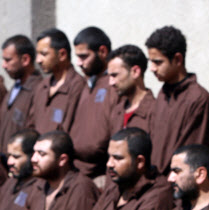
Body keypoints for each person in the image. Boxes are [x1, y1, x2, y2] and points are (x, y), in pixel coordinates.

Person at [145, 26, 209, 174]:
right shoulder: (162, 94)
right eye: (151, 62)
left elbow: (191, 161)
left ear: (178, 59)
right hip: (159, 189)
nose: (152, 68)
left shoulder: (199, 100)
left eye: (158, 62)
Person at [70, 26, 118, 178]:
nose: (78, 63)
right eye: (77, 57)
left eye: (84, 57)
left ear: (103, 52)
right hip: (76, 170)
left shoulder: (114, 85)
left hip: (101, 174)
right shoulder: (83, 84)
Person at [30, 28, 86, 134]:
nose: (38, 60)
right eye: (37, 54)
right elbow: (31, 124)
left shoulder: (77, 86)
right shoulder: (42, 86)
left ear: (62, 54)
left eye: (44, 54)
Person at [0, 35, 42, 153]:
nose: (4, 65)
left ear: (25, 60)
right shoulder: (14, 88)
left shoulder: (38, 89)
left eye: (8, 60)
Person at [107, 44, 155, 133]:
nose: (111, 82)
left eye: (114, 75)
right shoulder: (117, 111)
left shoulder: (155, 111)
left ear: (135, 72)